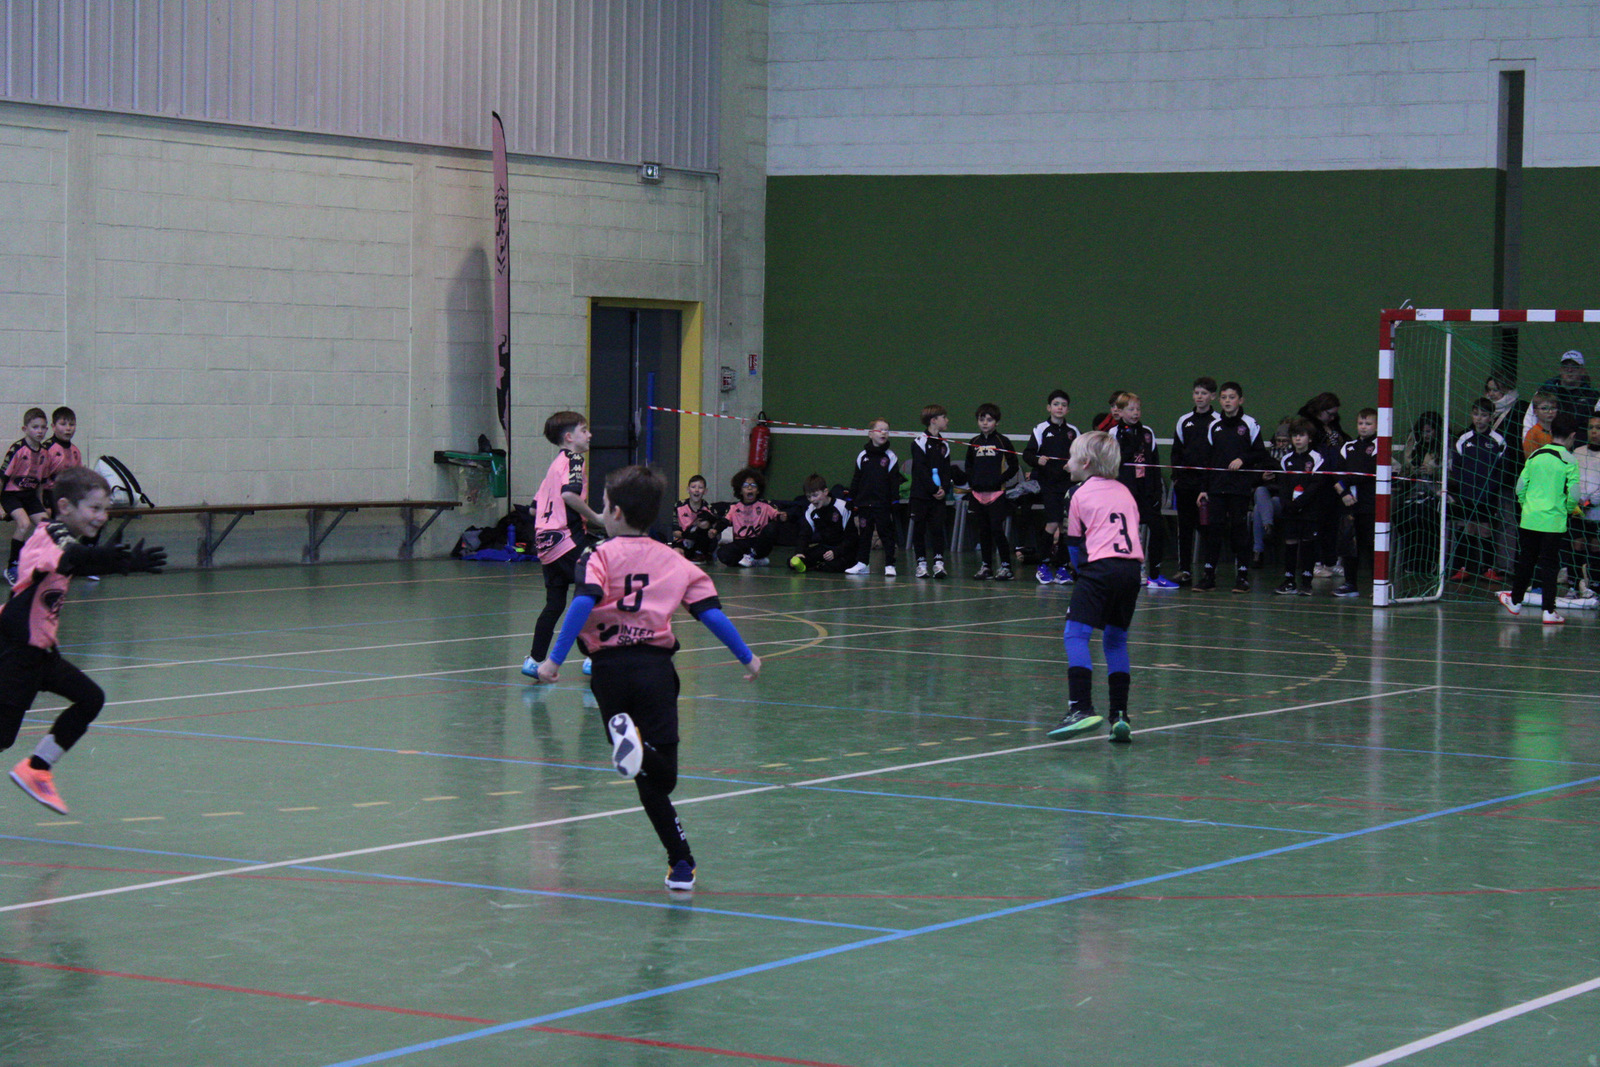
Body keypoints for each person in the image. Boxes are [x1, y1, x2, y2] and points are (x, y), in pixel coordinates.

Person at [536, 465, 760, 892]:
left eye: (603, 506)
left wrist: (554, 660)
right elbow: (710, 614)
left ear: (616, 513)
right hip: (654, 670)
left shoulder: (596, 555)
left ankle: (681, 861)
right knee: (663, 777)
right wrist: (747, 658)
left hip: (608, 672)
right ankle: (679, 857)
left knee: (642, 774)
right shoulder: (675, 560)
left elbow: (581, 605)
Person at [4, 466, 166, 814]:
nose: (102, 517)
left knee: (90, 698)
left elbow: (77, 563)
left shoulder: (62, 539)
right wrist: (112, 558)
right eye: (94, 508)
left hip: (40, 652)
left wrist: (126, 564)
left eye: (105, 509)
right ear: (64, 506)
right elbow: (73, 557)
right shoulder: (50, 534)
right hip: (16, 651)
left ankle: (36, 769)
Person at [1046, 431, 1143, 744]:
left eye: (1072, 458)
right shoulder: (1125, 492)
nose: (1068, 464)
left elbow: (1074, 544)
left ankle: (1081, 708)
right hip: (1131, 571)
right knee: (1115, 640)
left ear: (1086, 462)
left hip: (1099, 569)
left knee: (1075, 634)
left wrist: (1081, 574)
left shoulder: (1078, 493)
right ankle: (1120, 716)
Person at [520, 412, 605, 679]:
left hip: (545, 544)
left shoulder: (553, 467)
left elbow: (533, 509)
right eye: (584, 430)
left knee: (554, 604)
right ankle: (593, 657)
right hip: (567, 539)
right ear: (569, 437)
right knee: (596, 591)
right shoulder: (574, 459)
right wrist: (597, 518)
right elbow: (569, 494)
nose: (589, 435)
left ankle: (534, 660)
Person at [1500, 413, 1581, 625]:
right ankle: (1549, 611)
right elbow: (1574, 495)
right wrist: (1568, 510)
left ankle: (1515, 602)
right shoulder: (1570, 460)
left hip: (1529, 520)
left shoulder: (1535, 455)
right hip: (1553, 522)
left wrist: (1526, 506)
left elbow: (1520, 488)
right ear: (1572, 436)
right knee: (1549, 566)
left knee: (1526, 561)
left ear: (1551, 432)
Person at [1196, 382, 1268, 593]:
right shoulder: (1214, 425)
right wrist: (1204, 488)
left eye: (1232, 397)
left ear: (1240, 400)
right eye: (1224, 397)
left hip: (1239, 488)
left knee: (1239, 530)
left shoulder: (1250, 424)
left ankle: (1242, 576)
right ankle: (1209, 575)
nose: (1228, 401)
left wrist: (1242, 459)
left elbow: (1260, 453)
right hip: (1217, 488)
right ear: (1219, 400)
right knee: (1213, 530)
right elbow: (1207, 459)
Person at [1110, 393, 1176, 587]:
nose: (1135, 413)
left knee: (1158, 528)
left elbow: (1154, 463)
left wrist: (1156, 491)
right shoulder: (1114, 433)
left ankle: (1154, 573)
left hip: (1146, 491)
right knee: (1128, 531)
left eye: (1138, 409)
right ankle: (1129, 570)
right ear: (1120, 411)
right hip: (1125, 490)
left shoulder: (1147, 432)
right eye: (1131, 409)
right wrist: (1130, 443)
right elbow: (1115, 461)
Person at [1022, 389, 1080, 584]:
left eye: (1063, 405)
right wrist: (1038, 460)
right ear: (1049, 407)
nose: (1059, 408)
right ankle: (1043, 565)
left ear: (1068, 409)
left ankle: (1063, 567)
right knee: (1052, 523)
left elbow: (1081, 455)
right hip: (1049, 484)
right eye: (1056, 404)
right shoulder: (1040, 429)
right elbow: (1028, 454)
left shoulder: (1073, 432)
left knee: (1065, 527)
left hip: (1067, 485)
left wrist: (1073, 465)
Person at [1447, 399, 1508, 583]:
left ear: (1491, 417)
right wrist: (1462, 488)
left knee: (1485, 531)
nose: (1479, 419)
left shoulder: (1498, 440)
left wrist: (1491, 489)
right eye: (1476, 414)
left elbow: (1501, 470)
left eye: (1484, 415)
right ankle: (1462, 568)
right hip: (1467, 495)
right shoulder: (1463, 439)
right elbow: (1456, 467)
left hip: (1488, 496)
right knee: (1467, 529)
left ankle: (1488, 568)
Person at [1170, 377, 1219, 585]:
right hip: (1185, 485)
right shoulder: (1184, 420)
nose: (1200, 397)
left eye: (1204, 393)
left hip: (1207, 486)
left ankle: (1209, 570)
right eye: (1197, 393)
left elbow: (1218, 453)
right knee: (1185, 528)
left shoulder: (1217, 421)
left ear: (1212, 396)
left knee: (1207, 527)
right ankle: (1184, 570)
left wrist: (1209, 483)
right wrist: (1177, 477)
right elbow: (1177, 451)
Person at [1273, 418, 1330, 596]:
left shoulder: (1317, 458)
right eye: (1295, 435)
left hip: (1309, 510)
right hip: (1290, 511)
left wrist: (1300, 503)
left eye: (1302, 435)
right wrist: (1288, 504)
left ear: (1309, 438)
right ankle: (1289, 580)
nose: (1298, 439)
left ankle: (1306, 582)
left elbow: (1316, 484)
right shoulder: (1286, 460)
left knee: (1307, 543)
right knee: (1290, 542)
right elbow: (1282, 485)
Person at [964, 403, 1018, 581]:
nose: (985, 423)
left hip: (997, 494)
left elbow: (1014, 466)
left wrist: (999, 480)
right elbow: (969, 465)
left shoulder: (1003, 442)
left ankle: (1006, 567)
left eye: (989, 420)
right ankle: (986, 566)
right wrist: (973, 482)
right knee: (983, 531)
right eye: (982, 420)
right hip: (978, 495)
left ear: (997, 422)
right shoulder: (974, 442)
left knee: (996, 529)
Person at [909, 403, 963, 578]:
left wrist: (943, 489)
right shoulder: (919, 442)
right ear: (933, 420)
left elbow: (946, 470)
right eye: (944, 417)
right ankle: (921, 564)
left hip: (938, 497)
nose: (947, 420)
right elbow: (920, 469)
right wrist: (932, 489)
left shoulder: (944, 444)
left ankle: (939, 563)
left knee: (938, 528)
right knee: (919, 529)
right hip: (921, 495)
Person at [1298, 392, 1348, 578]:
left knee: (1332, 524)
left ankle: (1330, 561)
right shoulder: (1308, 426)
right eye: (1330, 414)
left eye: (1335, 414)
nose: (1333, 417)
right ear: (1319, 410)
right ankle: (1315, 563)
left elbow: (1344, 442)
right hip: (1318, 480)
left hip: (1334, 481)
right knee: (1316, 524)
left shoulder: (1334, 426)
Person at [845, 418, 903, 576]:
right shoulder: (862, 456)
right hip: (865, 504)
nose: (883, 433)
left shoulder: (890, 457)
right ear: (870, 434)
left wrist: (895, 500)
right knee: (864, 535)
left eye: (886, 430)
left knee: (886, 534)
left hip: (882, 504)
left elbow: (894, 481)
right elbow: (856, 479)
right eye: (880, 430)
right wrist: (851, 498)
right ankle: (863, 563)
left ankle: (890, 564)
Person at [2, 409, 52, 587]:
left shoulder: (45, 453)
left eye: (43, 427)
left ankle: (37, 564)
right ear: (25, 429)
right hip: (11, 495)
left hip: (29, 496)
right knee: (24, 524)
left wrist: (42, 505)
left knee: (47, 526)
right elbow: (2, 478)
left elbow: (41, 483)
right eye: (35, 427)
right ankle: (12, 567)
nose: (40, 431)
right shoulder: (17, 449)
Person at [1333, 409, 1380, 597]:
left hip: (1370, 504)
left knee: (1371, 545)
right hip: (1349, 504)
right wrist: (1343, 492)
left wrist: (1345, 482)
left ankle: (1378, 585)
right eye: (1361, 423)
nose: (1363, 427)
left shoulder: (1380, 446)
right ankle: (1350, 583)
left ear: (1377, 426)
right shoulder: (1348, 447)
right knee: (1349, 544)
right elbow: (1337, 474)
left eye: (1368, 424)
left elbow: (1366, 472)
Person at [715, 467, 786, 567]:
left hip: (758, 543)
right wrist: (715, 530)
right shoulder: (734, 507)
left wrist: (781, 517)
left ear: (758, 490)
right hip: (740, 543)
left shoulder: (765, 506)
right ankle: (754, 561)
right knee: (722, 554)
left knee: (772, 527)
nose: (749, 488)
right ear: (740, 491)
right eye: (745, 486)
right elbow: (724, 522)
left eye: (753, 485)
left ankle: (753, 556)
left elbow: (776, 515)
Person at [790, 473, 858, 573]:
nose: (812, 500)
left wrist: (836, 552)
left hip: (843, 549)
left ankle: (820, 565)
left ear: (825, 492)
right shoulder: (811, 510)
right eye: (808, 497)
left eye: (815, 495)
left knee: (833, 566)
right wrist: (799, 552)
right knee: (791, 562)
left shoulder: (842, 507)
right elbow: (804, 534)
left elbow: (852, 538)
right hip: (825, 548)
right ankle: (817, 565)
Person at [1520, 350, 1597, 429]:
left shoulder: (1593, 397)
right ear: (1560, 369)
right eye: (1565, 366)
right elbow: (1529, 421)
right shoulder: (1545, 391)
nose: (1569, 370)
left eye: (1574, 366)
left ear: (1583, 370)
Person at [1252, 420, 1292, 569]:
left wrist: (1278, 476)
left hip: (1283, 499)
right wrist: (1262, 477)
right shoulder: (1266, 457)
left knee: (1259, 509)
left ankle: (1258, 551)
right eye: (1278, 441)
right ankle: (1268, 526)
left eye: (1284, 441)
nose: (1280, 444)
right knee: (1260, 492)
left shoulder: (1293, 458)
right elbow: (1252, 480)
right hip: (1266, 494)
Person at [1569, 414, 1600, 597]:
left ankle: (1595, 585)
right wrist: (1577, 501)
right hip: (1577, 510)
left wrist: (1590, 503)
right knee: (1577, 544)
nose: (1594, 432)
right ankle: (1574, 584)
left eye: (1598, 428)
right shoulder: (1578, 452)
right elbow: (1572, 479)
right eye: (1591, 428)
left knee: (1595, 545)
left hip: (1596, 512)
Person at [670, 474, 719, 563]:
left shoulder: (709, 509)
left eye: (700, 487)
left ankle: (702, 554)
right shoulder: (679, 506)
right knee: (676, 553)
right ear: (688, 489)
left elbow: (717, 533)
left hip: (703, 543)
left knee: (704, 523)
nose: (696, 490)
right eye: (693, 487)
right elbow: (675, 532)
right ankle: (688, 556)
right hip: (685, 540)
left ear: (705, 491)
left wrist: (712, 532)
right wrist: (688, 536)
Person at [40, 406, 82, 509]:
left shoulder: (75, 451)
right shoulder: (46, 449)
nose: (68, 428)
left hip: (68, 495)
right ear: (53, 427)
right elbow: (39, 479)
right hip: (48, 494)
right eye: (63, 424)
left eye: (72, 424)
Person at [1522, 391, 1559, 457]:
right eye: (1544, 408)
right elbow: (1530, 458)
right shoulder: (1533, 433)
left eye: (1553, 408)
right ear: (1535, 411)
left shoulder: (1560, 430)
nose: (1550, 412)